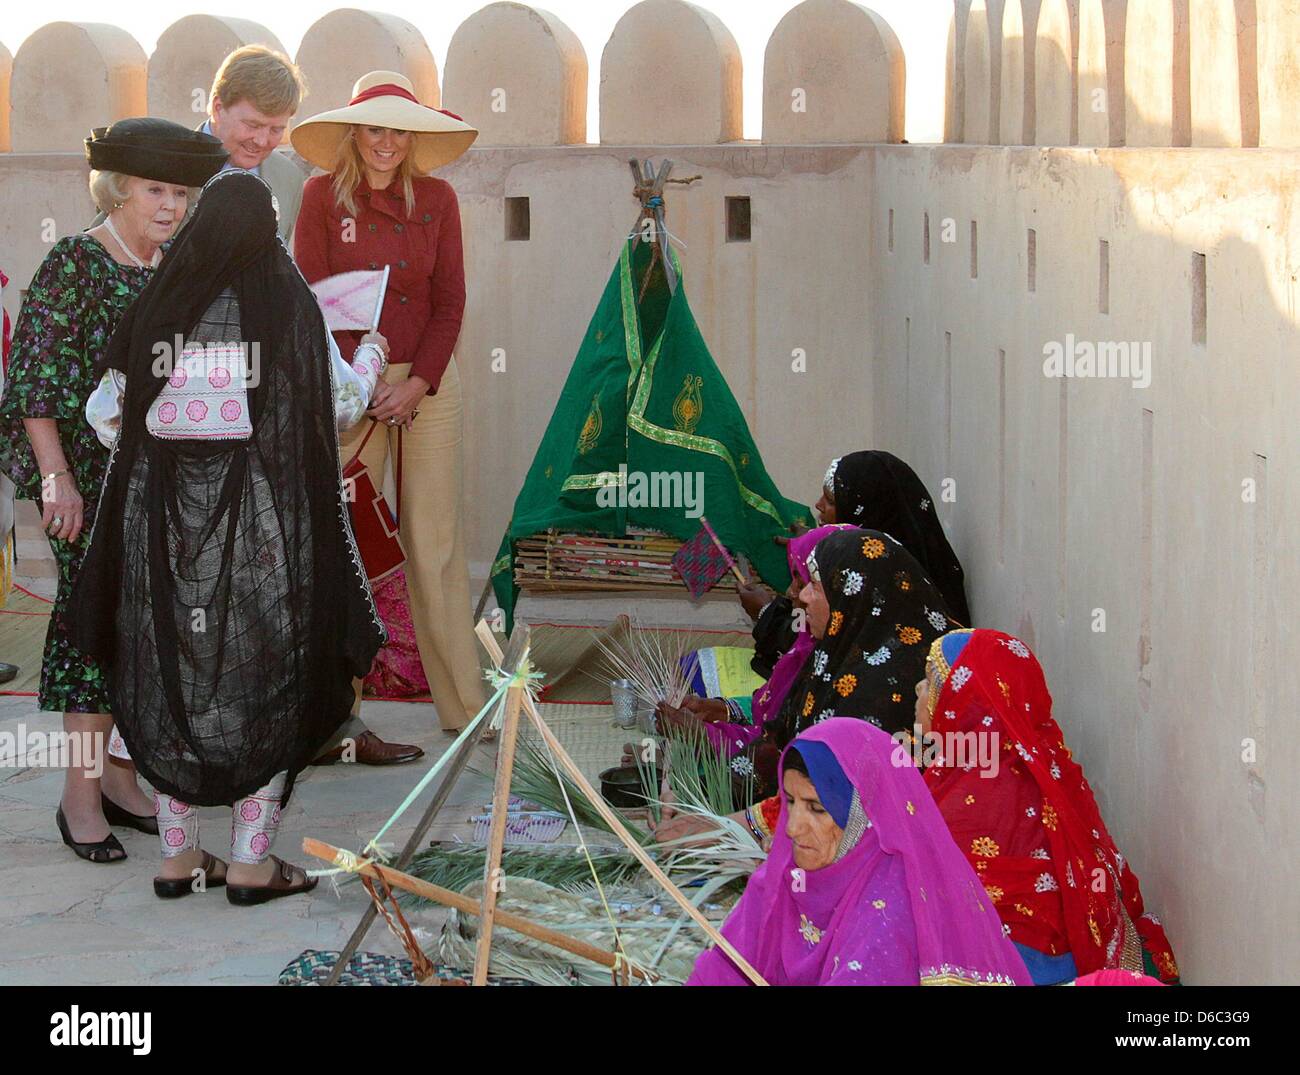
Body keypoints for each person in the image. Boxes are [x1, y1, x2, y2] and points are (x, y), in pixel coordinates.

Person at [69, 169, 388, 902]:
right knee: (265, 682)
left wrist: (175, 458)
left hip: (166, 544)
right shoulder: (285, 299)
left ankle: (178, 858)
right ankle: (250, 861)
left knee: (170, 678)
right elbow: (339, 405)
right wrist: (370, 352)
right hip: (267, 541)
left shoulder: (162, 301)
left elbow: (104, 412)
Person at [0, 118, 227, 863]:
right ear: (119, 188)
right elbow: (34, 383)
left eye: (182, 193)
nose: (170, 205)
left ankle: (124, 783)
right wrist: (56, 479)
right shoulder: (76, 262)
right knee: (94, 636)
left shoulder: (174, 266)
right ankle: (79, 797)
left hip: (156, 483)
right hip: (84, 484)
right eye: (155, 189)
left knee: (143, 639)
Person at [292, 71, 485, 743]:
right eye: (374, 127)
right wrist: (358, 378)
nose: (386, 141)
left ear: (413, 137)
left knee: (434, 543)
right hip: (346, 384)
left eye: (399, 129)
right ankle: (333, 716)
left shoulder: (439, 199)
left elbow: (450, 299)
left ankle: (464, 709)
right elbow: (311, 297)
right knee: (344, 540)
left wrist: (417, 382)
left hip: (426, 384)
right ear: (354, 131)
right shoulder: (319, 197)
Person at [658, 528, 959, 843]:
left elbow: (835, 809)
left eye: (813, 584)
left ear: (851, 594)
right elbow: (780, 742)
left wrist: (723, 824)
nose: (798, 595)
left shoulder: (883, 693)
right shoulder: (836, 654)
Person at [915, 628, 1180, 983]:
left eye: (931, 680)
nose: (918, 690)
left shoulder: (970, 798)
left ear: (965, 701)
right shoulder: (1047, 764)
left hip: (1017, 967)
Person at [687, 719, 1031, 986]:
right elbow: (722, 968)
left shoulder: (890, 908)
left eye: (817, 809)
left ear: (861, 814)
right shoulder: (784, 878)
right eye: (791, 803)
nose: (792, 828)